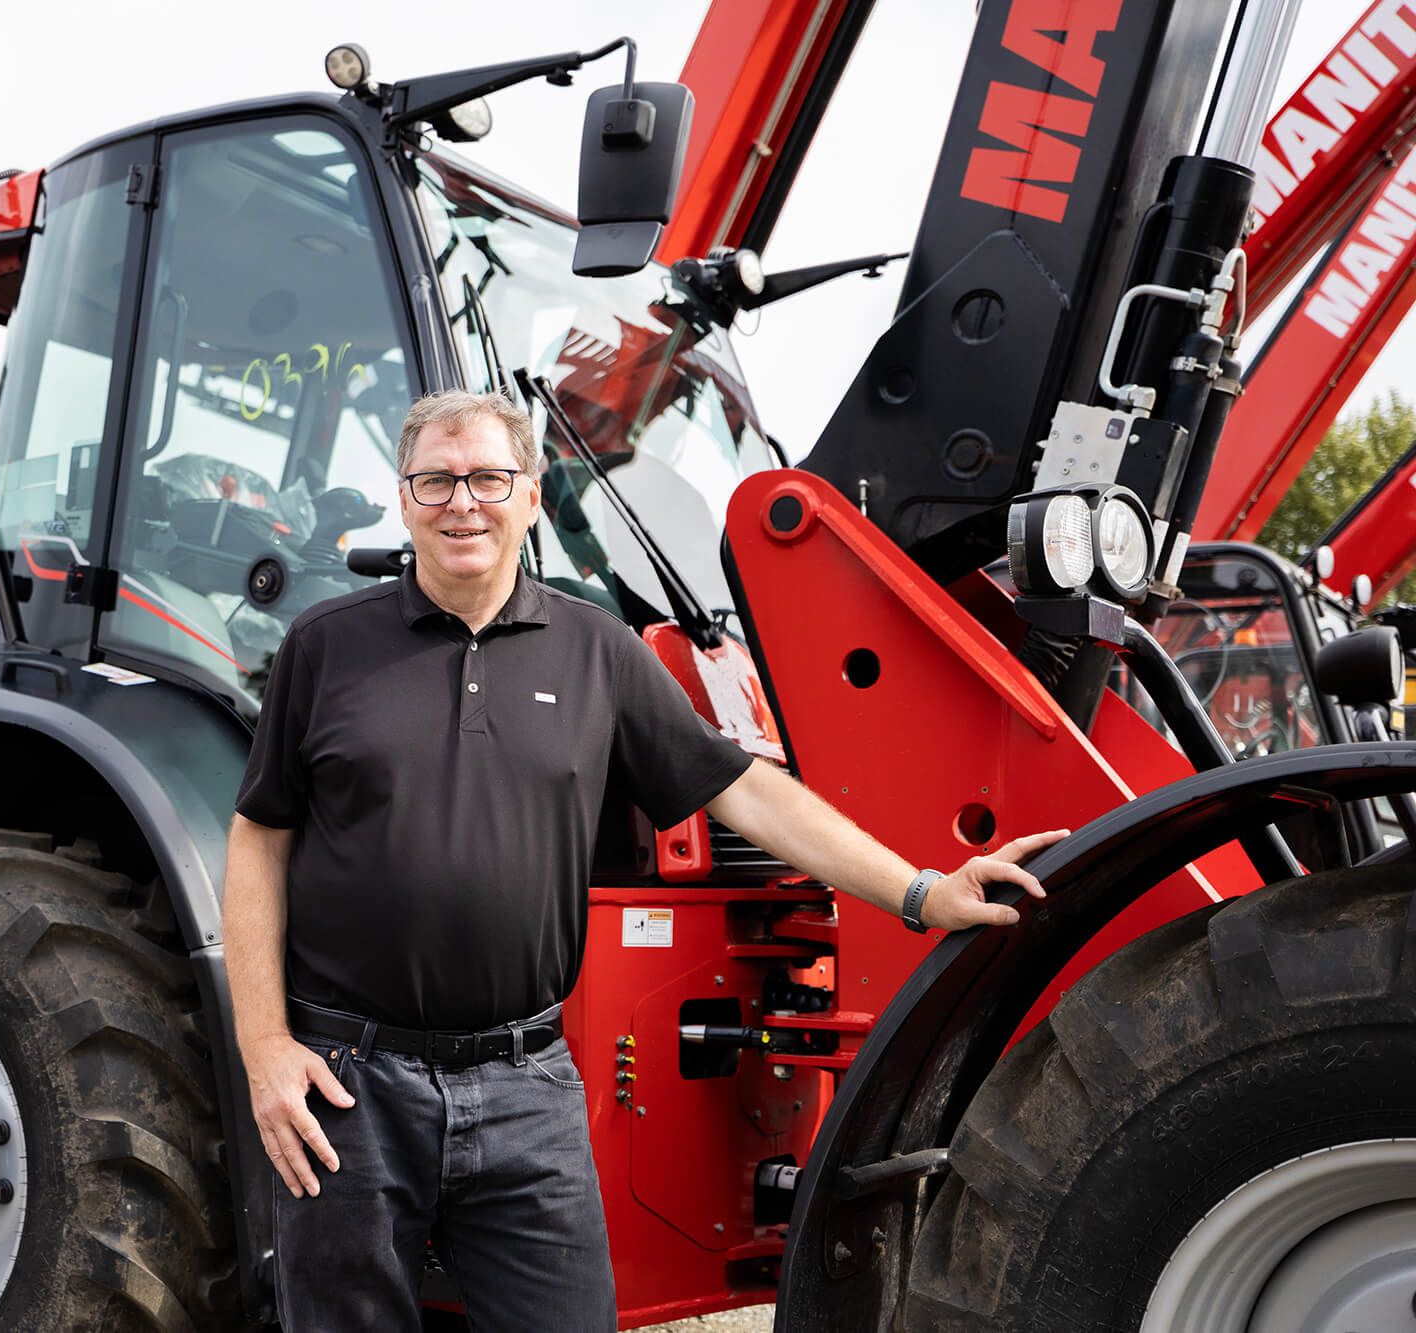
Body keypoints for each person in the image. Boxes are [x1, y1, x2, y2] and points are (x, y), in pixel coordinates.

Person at [223, 389, 1066, 1331]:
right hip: (349, 1085)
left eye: (489, 479)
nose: (463, 502)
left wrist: (919, 889)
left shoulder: (598, 649)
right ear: (406, 497)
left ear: (532, 496)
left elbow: (741, 789)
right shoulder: (325, 648)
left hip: (524, 1083)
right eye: (437, 480)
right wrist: (265, 1050)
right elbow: (259, 838)